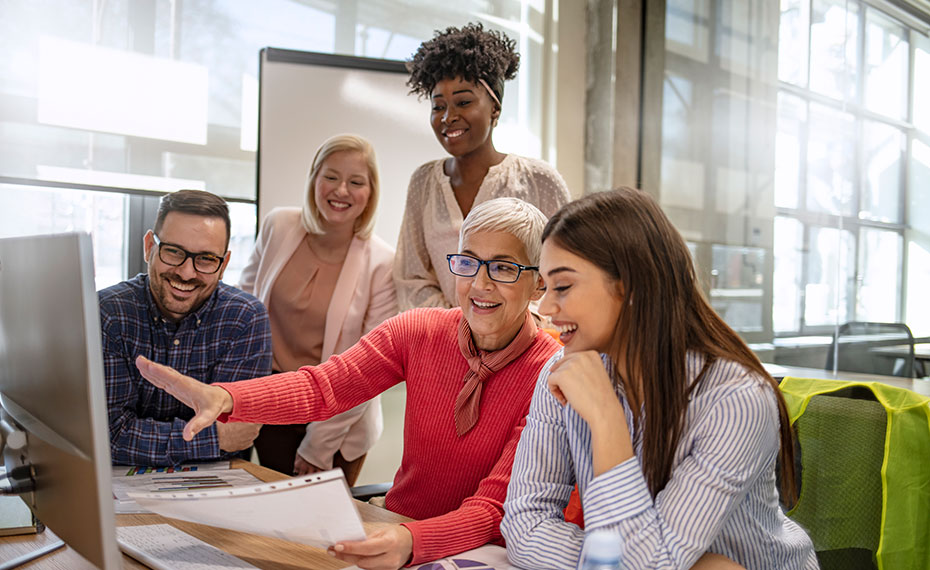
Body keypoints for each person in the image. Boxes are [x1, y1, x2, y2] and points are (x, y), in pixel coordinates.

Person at [135, 197, 561, 569]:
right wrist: (226, 397)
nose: (480, 284)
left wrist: (415, 541)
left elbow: (492, 509)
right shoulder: (419, 331)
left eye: (503, 268)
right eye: (468, 262)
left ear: (539, 281)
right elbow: (323, 388)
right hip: (394, 531)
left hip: (481, 553)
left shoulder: (550, 373)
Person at [500, 188, 818, 569]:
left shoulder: (736, 399)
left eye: (563, 287)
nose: (547, 308)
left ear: (631, 286)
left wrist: (606, 420)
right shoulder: (563, 375)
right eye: (546, 288)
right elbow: (523, 526)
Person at [238, 134, 396, 483]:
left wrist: (319, 445)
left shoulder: (383, 263)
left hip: (339, 421)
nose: (341, 190)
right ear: (314, 178)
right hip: (273, 404)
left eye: (356, 182)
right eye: (331, 177)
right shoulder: (278, 225)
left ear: (370, 193)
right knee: (269, 524)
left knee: (322, 531)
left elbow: (369, 368)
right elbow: (241, 311)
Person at [394, 22, 571, 311]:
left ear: (495, 109)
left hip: (525, 345)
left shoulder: (539, 180)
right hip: (445, 342)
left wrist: (504, 329)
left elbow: (563, 272)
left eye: (463, 102)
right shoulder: (424, 182)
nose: (448, 117)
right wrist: (462, 326)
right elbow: (411, 277)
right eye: (438, 106)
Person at [99, 189, 272, 467]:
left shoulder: (245, 319)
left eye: (205, 259)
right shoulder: (108, 313)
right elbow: (109, 436)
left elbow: (239, 436)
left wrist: (145, 437)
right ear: (149, 247)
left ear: (224, 264)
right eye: (173, 252)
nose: (186, 273)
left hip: (211, 490)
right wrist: (213, 438)